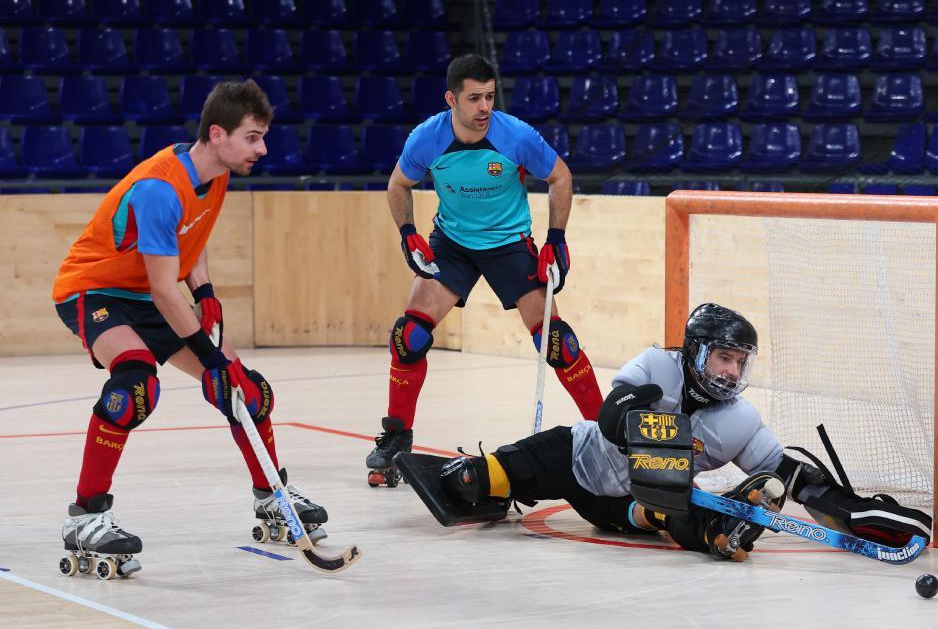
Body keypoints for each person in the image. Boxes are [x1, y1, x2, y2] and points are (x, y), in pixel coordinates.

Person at [396, 304, 931, 560]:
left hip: (632, 499)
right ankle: (478, 478)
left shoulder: (740, 419)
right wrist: (638, 410)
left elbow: (790, 475)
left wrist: (850, 511)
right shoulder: (656, 364)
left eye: (739, 363)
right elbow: (607, 417)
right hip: (578, 457)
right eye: (724, 357)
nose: (731, 372)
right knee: (472, 480)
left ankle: (719, 532)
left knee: (668, 508)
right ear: (696, 351)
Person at [52, 80, 327, 578]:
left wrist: (205, 294)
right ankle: (86, 516)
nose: (262, 148)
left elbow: (189, 241)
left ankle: (273, 497)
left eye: (263, 136)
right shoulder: (160, 187)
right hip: (94, 290)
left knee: (246, 390)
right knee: (135, 385)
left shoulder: (216, 173)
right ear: (217, 134)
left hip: (149, 291)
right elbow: (162, 289)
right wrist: (210, 353)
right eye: (253, 137)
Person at [366, 54, 605, 485]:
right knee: (409, 336)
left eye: (490, 97)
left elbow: (561, 177)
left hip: (509, 244)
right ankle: (396, 439)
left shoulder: (515, 135)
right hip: (452, 244)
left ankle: (611, 437)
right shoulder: (427, 139)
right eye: (474, 98)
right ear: (450, 99)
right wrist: (407, 232)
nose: (484, 108)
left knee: (558, 344)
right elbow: (398, 184)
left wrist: (556, 239)